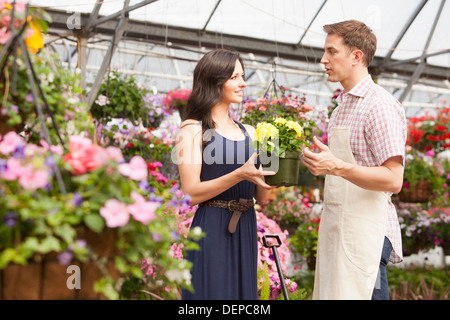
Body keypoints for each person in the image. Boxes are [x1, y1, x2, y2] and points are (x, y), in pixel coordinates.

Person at [301, 20, 406, 300]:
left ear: (356, 56)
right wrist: (320, 162)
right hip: (339, 232)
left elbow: (394, 179)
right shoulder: (342, 107)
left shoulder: (379, 105)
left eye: (331, 52)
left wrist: (336, 166)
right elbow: (345, 169)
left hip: (365, 237)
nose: (324, 60)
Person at [175, 48, 275, 300]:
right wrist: (239, 174)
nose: (243, 83)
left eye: (242, 76)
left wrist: (271, 166)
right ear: (214, 81)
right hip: (212, 228)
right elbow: (189, 193)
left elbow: (263, 198)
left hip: (245, 227)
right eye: (235, 77)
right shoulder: (191, 130)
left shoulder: (253, 133)